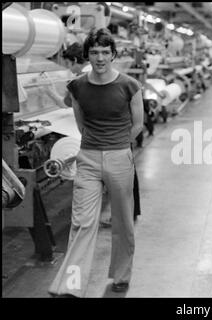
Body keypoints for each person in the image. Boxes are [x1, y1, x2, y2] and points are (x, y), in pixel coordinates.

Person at [48, 28, 143, 297]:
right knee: (82, 222)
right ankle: (72, 284)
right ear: (87, 55)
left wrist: (117, 145)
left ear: (113, 54)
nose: (100, 58)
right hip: (87, 158)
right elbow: (80, 121)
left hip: (119, 158)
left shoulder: (129, 86)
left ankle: (122, 275)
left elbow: (137, 125)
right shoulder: (77, 87)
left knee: (123, 221)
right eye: (94, 52)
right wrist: (94, 143)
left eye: (105, 52)